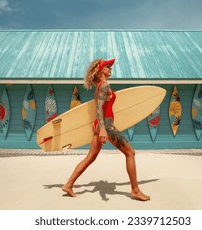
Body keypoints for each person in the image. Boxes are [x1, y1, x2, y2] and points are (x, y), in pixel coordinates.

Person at [62, 58, 150, 201]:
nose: (111, 68)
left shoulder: (101, 86)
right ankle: (135, 190)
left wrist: (98, 126)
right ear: (100, 71)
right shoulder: (104, 87)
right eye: (108, 66)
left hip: (102, 124)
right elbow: (98, 109)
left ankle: (68, 184)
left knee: (90, 157)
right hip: (107, 126)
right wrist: (103, 129)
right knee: (130, 153)